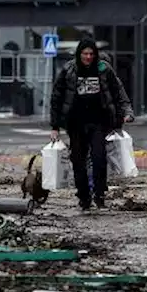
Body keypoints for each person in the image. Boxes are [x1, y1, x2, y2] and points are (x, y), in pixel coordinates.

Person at [49, 38, 133, 211]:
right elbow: (56, 98)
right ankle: (83, 196)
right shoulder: (69, 70)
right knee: (78, 161)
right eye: (85, 54)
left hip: (99, 122)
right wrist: (55, 126)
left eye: (91, 54)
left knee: (99, 158)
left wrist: (126, 113)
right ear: (79, 54)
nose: (88, 57)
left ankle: (100, 195)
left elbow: (118, 92)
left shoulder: (104, 69)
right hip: (76, 123)